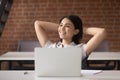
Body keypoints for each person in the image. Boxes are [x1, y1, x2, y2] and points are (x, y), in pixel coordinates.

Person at [34, 15, 106, 60]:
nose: (62, 28)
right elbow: (37, 24)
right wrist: (61, 28)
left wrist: (80, 29)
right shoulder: (50, 47)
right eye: (61, 25)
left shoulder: (81, 49)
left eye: (67, 26)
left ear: (76, 31)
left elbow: (101, 32)